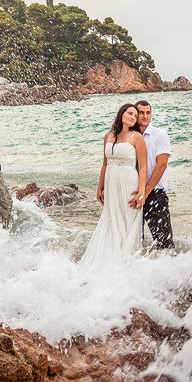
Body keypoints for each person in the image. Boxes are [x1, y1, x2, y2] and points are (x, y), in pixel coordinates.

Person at [78, 103, 148, 270]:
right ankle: (108, 257)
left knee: (127, 219)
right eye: (130, 113)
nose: (133, 117)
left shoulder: (137, 137)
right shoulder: (108, 136)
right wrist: (99, 187)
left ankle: (126, 261)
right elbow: (105, 164)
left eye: (135, 116)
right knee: (111, 218)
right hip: (111, 184)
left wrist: (142, 191)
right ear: (121, 114)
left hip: (129, 182)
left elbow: (143, 166)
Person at [130, 100, 174, 249]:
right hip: (131, 193)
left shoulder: (159, 135)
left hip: (155, 194)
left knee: (164, 243)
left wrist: (145, 192)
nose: (145, 116)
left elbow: (162, 165)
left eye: (148, 113)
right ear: (135, 115)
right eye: (141, 113)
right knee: (134, 242)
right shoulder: (129, 136)